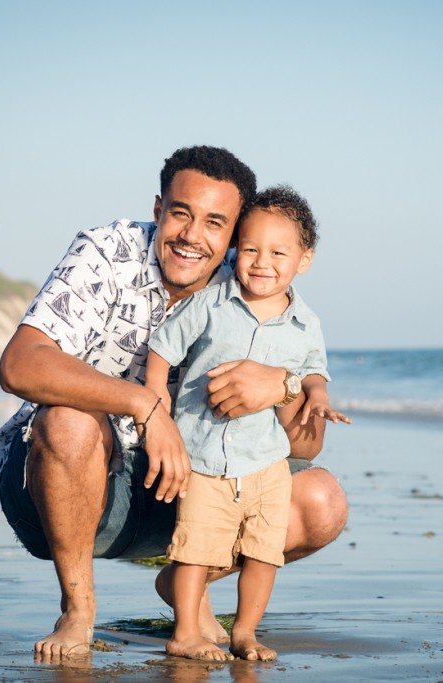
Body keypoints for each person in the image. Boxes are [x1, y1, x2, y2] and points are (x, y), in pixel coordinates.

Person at [0, 145, 349, 660]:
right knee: (69, 420)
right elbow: (19, 365)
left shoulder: (252, 278)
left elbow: (305, 446)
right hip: (63, 492)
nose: (192, 236)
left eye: (215, 223)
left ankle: (186, 579)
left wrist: (284, 386)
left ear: (234, 233)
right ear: (159, 210)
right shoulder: (107, 252)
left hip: (190, 495)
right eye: (181, 214)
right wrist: (146, 405)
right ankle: (78, 609)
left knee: (322, 502)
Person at [146, 186, 351, 662]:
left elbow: (314, 370)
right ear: (237, 249)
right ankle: (185, 632)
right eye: (251, 249)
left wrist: (317, 396)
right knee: (197, 548)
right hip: (203, 456)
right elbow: (162, 351)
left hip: (267, 461)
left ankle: (244, 633)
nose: (262, 262)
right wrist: (159, 417)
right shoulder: (212, 303)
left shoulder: (306, 322)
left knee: (263, 552)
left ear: (304, 260)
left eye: (279, 252)